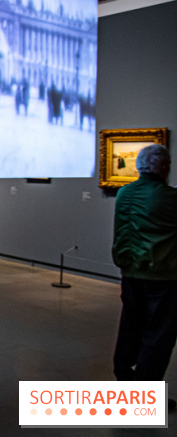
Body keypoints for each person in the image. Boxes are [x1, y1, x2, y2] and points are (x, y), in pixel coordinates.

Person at [112, 144, 177, 409]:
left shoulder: (125, 193)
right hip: (162, 276)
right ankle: (145, 395)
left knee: (131, 324)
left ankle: (124, 376)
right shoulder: (170, 198)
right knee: (158, 335)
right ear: (162, 167)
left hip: (130, 274)